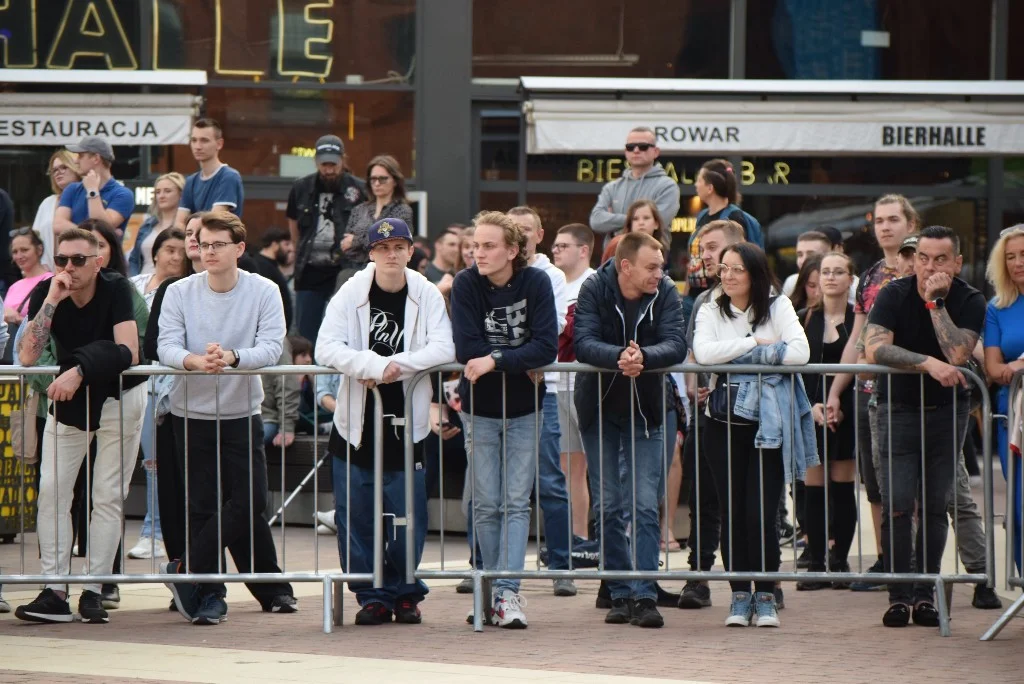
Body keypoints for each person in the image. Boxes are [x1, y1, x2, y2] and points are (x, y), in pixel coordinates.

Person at [156, 210, 293, 626]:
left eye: (217, 244)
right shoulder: (179, 291)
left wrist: (232, 358)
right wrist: (193, 361)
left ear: (239, 248)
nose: (207, 251)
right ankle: (211, 593)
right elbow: (165, 346)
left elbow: (272, 347)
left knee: (252, 501)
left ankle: (187, 569)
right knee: (201, 505)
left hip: (241, 410)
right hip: (188, 411)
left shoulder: (264, 290)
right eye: (202, 244)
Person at [316, 217, 455, 625]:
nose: (391, 254)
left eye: (399, 247)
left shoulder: (426, 293)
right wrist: (370, 364)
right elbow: (327, 347)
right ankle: (370, 594)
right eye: (383, 248)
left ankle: (406, 592)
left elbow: (444, 347)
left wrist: (397, 366)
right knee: (356, 514)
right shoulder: (352, 291)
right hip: (356, 424)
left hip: (406, 421)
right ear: (371, 253)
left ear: (411, 251)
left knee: (407, 515)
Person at [14, 228, 146, 625]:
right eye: (61, 260)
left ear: (98, 262)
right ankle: (55, 588)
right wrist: (52, 299)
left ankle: (94, 588)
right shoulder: (47, 291)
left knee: (107, 494)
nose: (68, 268)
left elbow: (129, 350)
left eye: (78, 260)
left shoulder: (116, 288)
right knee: (53, 490)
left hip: (120, 394)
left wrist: (80, 369)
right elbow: (27, 355)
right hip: (71, 399)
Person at [864, 225, 985, 628]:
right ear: (913, 259)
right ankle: (899, 595)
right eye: (923, 258)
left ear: (957, 263)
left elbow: (957, 351)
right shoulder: (892, 293)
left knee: (935, 506)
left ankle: (925, 593)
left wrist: (936, 304)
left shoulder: (969, 298)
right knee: (897, 504)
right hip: (897, 408)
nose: (929, 267)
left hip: (947, 412)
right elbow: (875, 347)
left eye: (940, 259)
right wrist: (927, 364)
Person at [693, 242, 813, 629]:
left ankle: (765, 595)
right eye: (722, 269)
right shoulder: (711, 307)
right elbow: (704, 353)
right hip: (721, 426)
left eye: (736, 270)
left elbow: (800, 353)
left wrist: (742, 358)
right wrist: (754, 344)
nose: (726, 276)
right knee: (732, 514)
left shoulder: (778, 306)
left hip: (769, 427)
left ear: (755, 273)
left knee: (760, 514)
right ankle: (739, 595)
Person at [574, 231, 687, 629]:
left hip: (646, 410)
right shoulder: (594, 287)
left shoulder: (667, 291)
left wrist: (644, 357)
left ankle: (644, 593)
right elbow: (583, 342)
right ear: (626, 267)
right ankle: (619, 592)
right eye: (652, 267)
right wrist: (621, 357)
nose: (660, 273)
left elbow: (676, 344)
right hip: (599, 409)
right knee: (607, 504)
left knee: (642, 503)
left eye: (661, 266)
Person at [451, 211, 557, 629]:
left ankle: (506, 593)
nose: (479, 253)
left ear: (513, 250)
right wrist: (514, 358)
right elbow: (465, 347)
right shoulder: (465, 284)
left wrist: (495, 359)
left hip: (526, 406)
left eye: (489, 245)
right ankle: (489, 586)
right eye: (476, 245)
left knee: (516, 503)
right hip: (479, 410)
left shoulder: (535, 283)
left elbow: (545, 346)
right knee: (485, 505)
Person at [825, 194, 918, 591]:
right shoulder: (869, 276)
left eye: (893, 219)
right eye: (879, 220)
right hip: (867, 390)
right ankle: (886, 560)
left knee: (910, 486)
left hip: (910, 392)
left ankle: (913, 562)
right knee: (876, 484)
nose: (884, 226)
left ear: (910, 224)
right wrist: (835, 389)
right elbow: (857, 338)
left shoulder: (922, 269)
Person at [507, 206, 575, 597]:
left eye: (526, 231)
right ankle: (482, 567)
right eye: (513, 231)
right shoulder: (495, 271)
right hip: (499, 389)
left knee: (550, 480)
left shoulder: (551, 275)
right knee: (491, 487)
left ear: (539, 234)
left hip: (543, 388)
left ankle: (562, 566)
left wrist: (514, 349)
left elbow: (557, 324)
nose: (520, 237)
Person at [677, 219, 744, 610]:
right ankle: (698, 575)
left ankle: (759, 578)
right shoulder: (702, 301)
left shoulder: (767, 300)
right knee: (702, 496)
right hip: (706, 414)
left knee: (750, 499)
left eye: (713, 247)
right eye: (702, 248)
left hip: (752, 419)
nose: (705, 255)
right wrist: (693, 381)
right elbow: (691, 352)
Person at [796, 252, 858, 591]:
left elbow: (860, 369)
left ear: (850, 279)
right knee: (813, 488)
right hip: (811, 409)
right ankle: (816, 561)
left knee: (843, 486)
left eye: (839, 272)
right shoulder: (805, 318)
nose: (831, 277)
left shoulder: (856, 319)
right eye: (826, 272)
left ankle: (840, 560)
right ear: (817, 279)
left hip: (845, 410)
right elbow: (797, 370)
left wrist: (840, 406)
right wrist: (813, 406)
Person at [127, 228, 187, 561]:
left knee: (154, 464)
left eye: (181, 251)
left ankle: (154, 532)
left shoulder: (183, 289)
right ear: (155, 253)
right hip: (128, 382)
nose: (175, 256)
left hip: (162, 385)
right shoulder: (134, 284)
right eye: (169, 249)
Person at [287, 135, 368, 346]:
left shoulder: (359, 189)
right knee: (306, 336)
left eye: (333, 164)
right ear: (316, 162)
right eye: (324, 164)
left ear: (343, 160)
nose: (329, 170)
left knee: (345, 333)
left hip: (346, 269)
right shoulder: (300, 188)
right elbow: (293, 226)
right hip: (310, 270)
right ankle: (309, 379)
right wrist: (298, 252)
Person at [551, 223, 596, 540]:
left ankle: (613, 540)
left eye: (563, 245)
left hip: (585, 384)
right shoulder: (552, 282)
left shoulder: (593, 284)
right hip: (556, 383)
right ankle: (577, 540)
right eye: (554, 245)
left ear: (583, 250)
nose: (555, 249)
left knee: (603, 467)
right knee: (570, 470)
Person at [984, 224, 1024, 578]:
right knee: (1019, 509)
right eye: (1010, 257)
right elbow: (993, 366)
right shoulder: (998, 307)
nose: (1017, 263)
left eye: (1023, 254)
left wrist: (1021, 364)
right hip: (1013, 419)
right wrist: (1012, 368)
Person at [589, 126, 681, 248]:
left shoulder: (667, 186)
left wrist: (613, 219)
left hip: (651, 257)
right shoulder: (612, 187)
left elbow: (660, 220)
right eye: (630, 147)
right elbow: (596, 221)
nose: (636, 150)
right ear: (625, 151)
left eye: (643, 146)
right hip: (614, 258)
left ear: (656, 152)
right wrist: (642, 219)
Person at [342, 155, 414, 281]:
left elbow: (396, 243)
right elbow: (346, 247)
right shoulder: (359, 209)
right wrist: (373, 242)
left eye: (383, 179)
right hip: (353, 273)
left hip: (385, 275)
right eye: (373, 179)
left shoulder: (402, 210)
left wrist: (356, 240)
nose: (377, 183)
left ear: (395, 180)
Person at [53, 137, 134, 237]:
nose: (76, 161)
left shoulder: (123, 194)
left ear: (96, 158)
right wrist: (89, 235)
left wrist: (92, 191)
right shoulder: (72, 189)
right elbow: (57, 225)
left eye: (80, 156)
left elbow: (100, 226)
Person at [175, 119, 244, 225]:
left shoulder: (229, 176)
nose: (197, 146)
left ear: (219, 144)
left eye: (204, 140)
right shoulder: (191, 181)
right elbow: (179, 223)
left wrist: (190, 232)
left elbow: (213, 222)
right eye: (194, 140)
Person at [4, 228, 53, 360]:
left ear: (39, 249)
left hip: (34, 357)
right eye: (15, 251)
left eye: (24, 250)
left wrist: (17, 318)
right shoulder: (14, 286)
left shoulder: (51, 280)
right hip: (10, 355)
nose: (19, 256)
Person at [32, 149, 82, 271]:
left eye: (63, 167)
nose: (58, 173)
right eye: (54, 170)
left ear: (75, 168)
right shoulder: (47, 203)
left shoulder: (88, 199)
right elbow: (34, 239)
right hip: (48, 273)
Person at [129, 172, 185, 276]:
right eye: (158, 192)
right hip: (141, 284)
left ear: (181, 195)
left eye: (167, 191)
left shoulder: (186, 225)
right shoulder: (147, 224)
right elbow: (134, 259)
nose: (161, 196)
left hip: (171, 284)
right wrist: (133, 282)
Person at [252, 227, 296, 333]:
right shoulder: (261, 266)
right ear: (274, 244)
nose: (291, 249)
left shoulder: (271, 266)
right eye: (286, 244)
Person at [600, 199, 670, 263]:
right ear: (630, 224)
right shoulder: (617, 245)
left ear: (656, 224)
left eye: (646, 218)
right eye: (635, 219)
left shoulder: (660, 249)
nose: (641, 222)